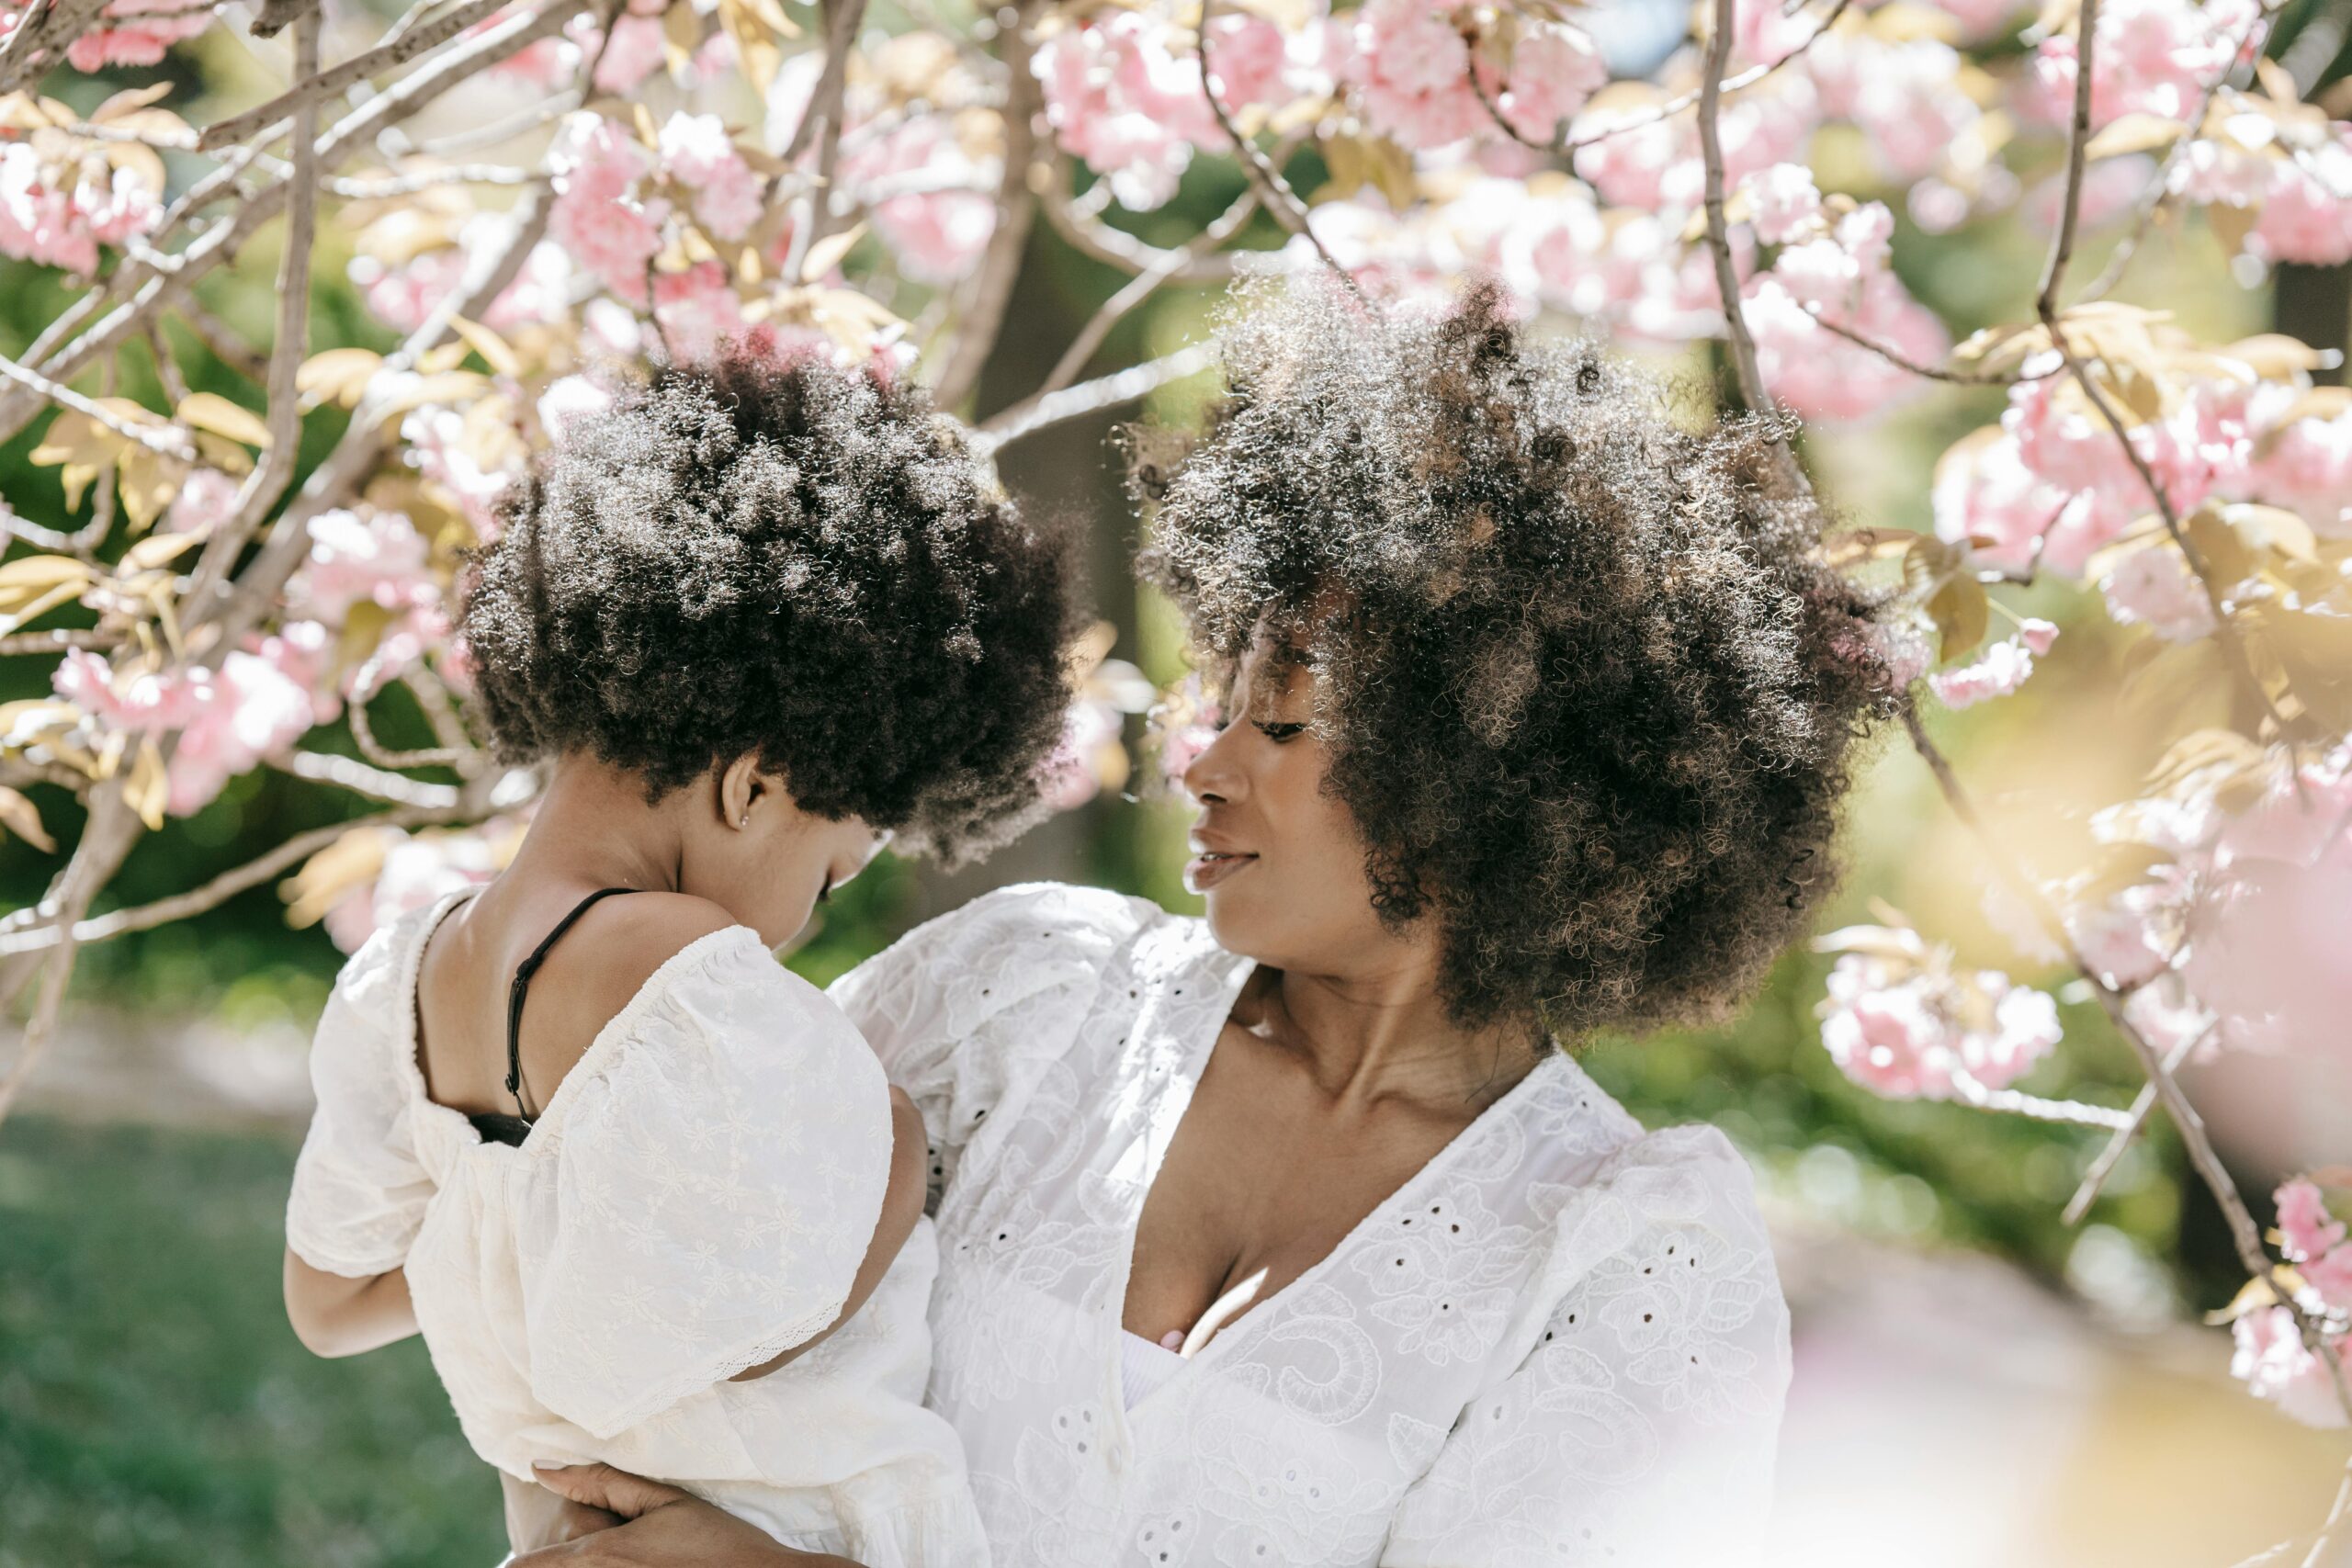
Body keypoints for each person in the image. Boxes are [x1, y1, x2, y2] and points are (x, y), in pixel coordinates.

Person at [517, 279, 1898, 1565]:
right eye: (1220, 702)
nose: (1204, 763)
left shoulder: (1624, 1263)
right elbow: (633, 1301)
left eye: (1283, 721)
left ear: (1482, 774)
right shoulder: (1024, 997)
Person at [279, 339, 1079, 1566]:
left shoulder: (404, 981)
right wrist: (901, 1141)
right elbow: (767, 1310)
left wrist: (501, 1246)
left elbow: (328, 1306)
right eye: (830, 869)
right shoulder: (687, 984)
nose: (803, 921)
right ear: (756, 786)